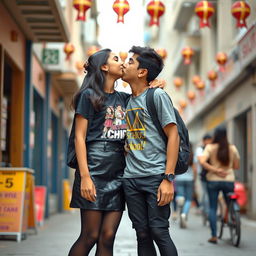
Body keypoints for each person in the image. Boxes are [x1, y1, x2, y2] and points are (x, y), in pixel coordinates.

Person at [67, 49, 165, 256]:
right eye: (116, 59)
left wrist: (155, 84)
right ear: (104, 67)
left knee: (108, 236)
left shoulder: (124, 98)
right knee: (90, 236)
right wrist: (85, 176)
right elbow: (79, 137)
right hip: (94, 168)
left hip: (119, 172)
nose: (122, 63)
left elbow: (142, 95)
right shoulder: (89, 95)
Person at [122, 46, 179, 256]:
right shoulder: (125, 100)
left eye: (129, 62)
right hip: (131, 179)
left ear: (142, 72)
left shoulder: (157, 96)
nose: (124, 64)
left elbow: (173, 135)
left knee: (159, 231)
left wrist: (168, 178)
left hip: (156, 176)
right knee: (142, 234)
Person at [199, 126, 240, 244]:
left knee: (212, 207)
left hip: (213, 180)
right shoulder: (232, 148)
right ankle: (233, 219)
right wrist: (226, 169)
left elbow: (202, 162)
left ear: (215, 135)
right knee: (229, 203)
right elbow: (237, 166)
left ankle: (214, 236)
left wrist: (215, 170)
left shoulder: (210, 147)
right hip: (229, 180)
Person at [175, 143, 196, 228]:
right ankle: (184, 214)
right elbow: (195, 169)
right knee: (188, 199)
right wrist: (194, 179)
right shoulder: (192, 156)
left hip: (179, 178)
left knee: (180, 195)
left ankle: (179, 199)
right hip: (189, 179)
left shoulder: (179, 154)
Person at [194, 134, 212, 220]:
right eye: (208, 140)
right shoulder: (200, 149)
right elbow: (200, 161)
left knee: (207, 194)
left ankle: (208, 211)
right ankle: (207, 212)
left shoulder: (211, 148)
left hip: (213, 175)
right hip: (204, 175)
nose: (209, 142)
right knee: (206, 194)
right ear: (204, 141)